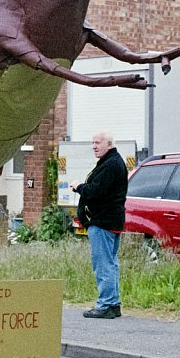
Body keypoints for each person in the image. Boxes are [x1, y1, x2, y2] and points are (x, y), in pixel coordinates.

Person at [69, 131, 128, 319]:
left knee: (103, 265)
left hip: (103, 222)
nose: (94, 146)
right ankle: (113, 303)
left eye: (98, 142)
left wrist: (78, 186)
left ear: (109, 144)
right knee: (110, 264)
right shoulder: (112, 162)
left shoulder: (111, 165)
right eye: (93, 142)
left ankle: (106, 305)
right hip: (111, 221)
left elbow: (96, 192)